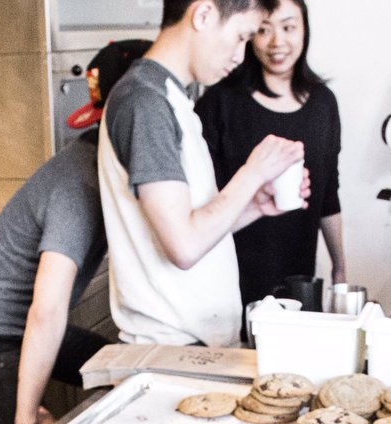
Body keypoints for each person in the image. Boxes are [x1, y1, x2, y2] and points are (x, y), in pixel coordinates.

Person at [0, 40, 151, 424]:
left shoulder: (109, 168)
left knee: (136, 379)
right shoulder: (80, 184)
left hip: (27, 329)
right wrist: (27, 414)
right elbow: (48, 307)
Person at [97, 0, 307, 348]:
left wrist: (253, 206)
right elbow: (183, 245)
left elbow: (191, 226)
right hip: (171, 348)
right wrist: (251, 174)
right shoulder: (146, 102)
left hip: (198, 346)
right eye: (241, 36)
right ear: (204, 14)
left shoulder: (172, 98)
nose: (241, 55)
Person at [196, 0, 347, 310]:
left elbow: (327, 193)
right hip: (228, 276)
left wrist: (339, 266)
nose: (278, 42)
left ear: (305, 30)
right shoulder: (220, 102)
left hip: (298, 276)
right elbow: (199, 199)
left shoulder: (323, 104)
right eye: (264, 30)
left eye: (289, 27)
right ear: (250, 34)